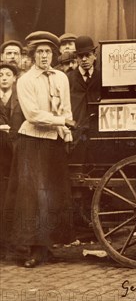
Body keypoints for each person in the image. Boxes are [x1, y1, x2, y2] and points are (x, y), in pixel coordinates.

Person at [2, 31, 76, 268]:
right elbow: (33, 115)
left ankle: (47, 246)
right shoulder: (25, 80)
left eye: (48, 52)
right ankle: (32, 249)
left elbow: (66, 110)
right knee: (32, 196)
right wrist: (62, 123)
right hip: (32, 142)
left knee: (53, 194)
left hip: (53, 142)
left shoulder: (61, 77)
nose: (44, 56)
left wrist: (67, 132)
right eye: (40, 52)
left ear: (54, 54)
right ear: (33, 55)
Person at [0, 62, 24, 259]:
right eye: (1, 75)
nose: (4, 78)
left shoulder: (19, 99)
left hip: (15, 150)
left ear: (14, 78)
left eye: (8, 74)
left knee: (13, 194)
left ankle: (13, 241)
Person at [67, 36, 101, 166]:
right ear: (76, 58)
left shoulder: (102, 77)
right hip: (76, 132)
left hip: (97, 132)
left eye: (88, 55)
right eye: (81, 56)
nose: (84, 59)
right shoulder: (68, 78)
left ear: (94, 55)